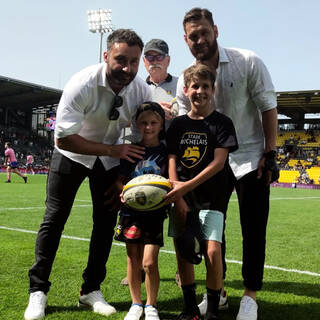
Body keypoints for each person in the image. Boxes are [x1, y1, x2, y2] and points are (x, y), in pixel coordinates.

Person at [24, 28, 152, 320]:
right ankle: (38, 291)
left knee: (105, 223)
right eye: (120, 60)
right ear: (106, 55)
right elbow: (63, 139)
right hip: (72, 155)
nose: (127, 68)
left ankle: (90, 290)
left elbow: (145, 133)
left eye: (134, 62)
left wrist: (123, 176)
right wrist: (111, 151)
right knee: (54, 219)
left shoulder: (141, 89)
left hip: (110, 163)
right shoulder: (81, 83)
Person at [176, 8, 278, 320]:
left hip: (250, 158)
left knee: (253, 227)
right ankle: (217, 292)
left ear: (216, 31)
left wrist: (270, 153)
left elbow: (268, 106)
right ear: (186, 40)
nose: (200, 40)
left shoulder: (247, 61)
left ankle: (250, 295)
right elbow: (186, 125)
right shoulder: (186, 79)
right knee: (211, 233)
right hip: (211, 164)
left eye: (204, 32)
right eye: (193, 36)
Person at [165, 64, 238, 320]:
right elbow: (171, 159)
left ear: (213, 89)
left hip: (212, 199)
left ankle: (213, 308)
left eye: (205, 86)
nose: (200, 91)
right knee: (184, 252)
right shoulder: (177, 125)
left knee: (213, 252)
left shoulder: (222, 123)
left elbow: (219, 163)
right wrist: (178, 194)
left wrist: (186, 187)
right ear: (186, 90)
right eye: (195, 86)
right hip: (182, 199)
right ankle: (189, 308)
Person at [120, 38, 179, 287]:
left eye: (159, 57)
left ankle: (181, 268)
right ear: (144, 61)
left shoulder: (180, 84)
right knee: (140, 206)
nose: (154, 61)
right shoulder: (134, 86)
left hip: (173, 153)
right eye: (149, 57)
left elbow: (191, 113)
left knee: (179, 215)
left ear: (167, 59)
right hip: (141, 154)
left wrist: (173, 114)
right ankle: (136, 270)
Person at [115, 102, 169, 320]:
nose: (148, 127)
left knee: (149, 261)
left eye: (153, 122)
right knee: (132, 258)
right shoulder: (131, 149)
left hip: (154, 214)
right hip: (130, 212)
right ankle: (136, 304)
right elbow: (120, 181)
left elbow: (171, 181)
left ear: (161, 124)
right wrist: (122, 192)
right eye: (144, 123)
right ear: (137, 125)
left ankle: (151, 305)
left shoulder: (166, 152)